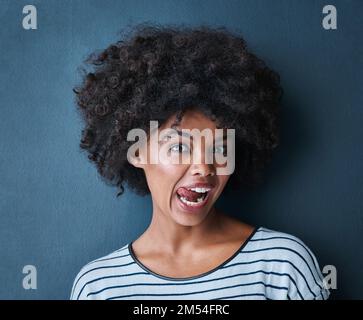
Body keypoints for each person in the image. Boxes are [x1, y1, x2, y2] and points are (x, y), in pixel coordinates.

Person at [70, 24, 329, 300]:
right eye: (180, 147)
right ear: (137, 151)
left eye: (219, 149)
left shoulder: (283, 267)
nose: (204, 168)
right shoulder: (99, 287)